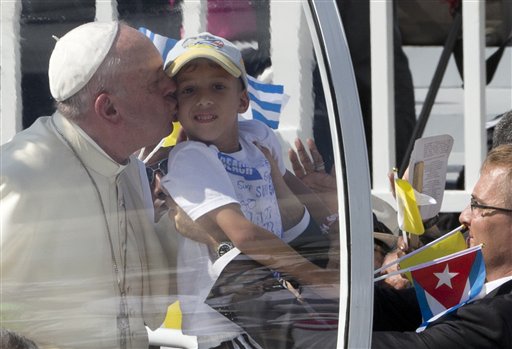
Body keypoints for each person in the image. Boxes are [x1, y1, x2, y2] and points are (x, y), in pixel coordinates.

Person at [1, 21, 177, 348]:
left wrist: (191, 212)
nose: (173, 87)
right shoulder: (17, 174)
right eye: (156, 82)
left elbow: (153, 309)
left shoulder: (133, 172)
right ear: (108, 108)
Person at [160, 32, 338, 348]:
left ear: (242, 100)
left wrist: (335, 224)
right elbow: (244, 234)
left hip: (275, 302)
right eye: (189, 90)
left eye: (218, 86)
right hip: (227, 320)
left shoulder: (258, 137)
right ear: (174, 106)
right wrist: (320, 279)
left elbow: (303, 198)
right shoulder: (189, 157)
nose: (204, 99)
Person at [372, 144, 512, 348]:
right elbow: (388, 309)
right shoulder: (476, 282)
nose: (463, 216)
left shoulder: (498, 316)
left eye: (478, 205)